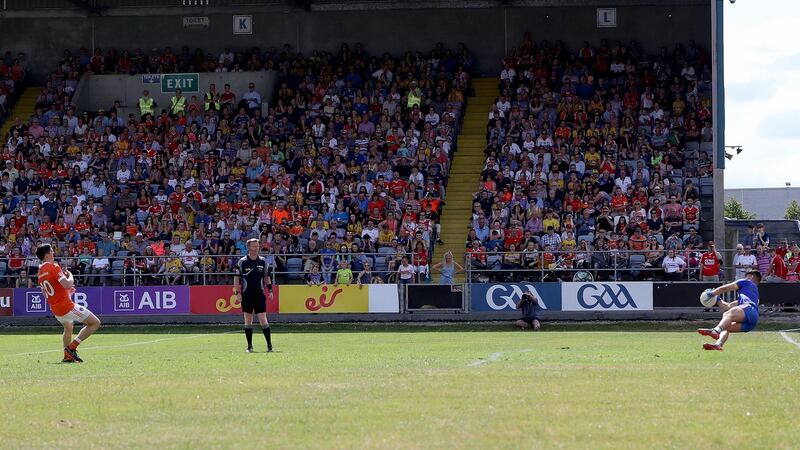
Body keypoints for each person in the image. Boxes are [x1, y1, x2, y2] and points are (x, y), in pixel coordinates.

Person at [36, 243, 101, 363]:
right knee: (95, 323)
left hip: (56, 309)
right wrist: (71, 276)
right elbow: (68, 283)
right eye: (51, 252)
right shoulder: (53, 267)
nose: (53, 253)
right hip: (66, 306)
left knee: (68, 327)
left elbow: (46, 294)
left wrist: (67, 292)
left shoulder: (40, 273)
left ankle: (67, 356)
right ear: (46, 256)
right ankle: (71, 348)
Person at [697, 269, 762, 351]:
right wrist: (718, 299)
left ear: (751, 277)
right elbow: (727, 306)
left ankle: (715, 330)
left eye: (746, 276)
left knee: (727, 314)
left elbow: (723, 289)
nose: (744, 277)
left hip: (748, 309)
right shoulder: (753, 295)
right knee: (726, 326)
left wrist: (712, 293)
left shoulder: (746, 282)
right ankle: (718, 344)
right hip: (753, 320)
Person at [232, 238, 273, 353]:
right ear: (249, 247)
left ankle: (269, 346)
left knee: (263, 320)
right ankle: (249, 346)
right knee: (248, 321)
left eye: (257, 245)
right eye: (254, 246)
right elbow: (236, 278)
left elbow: (266, 277)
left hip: (259, 294)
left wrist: (270, 290)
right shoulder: (242, 262)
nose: (257, 247)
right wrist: (237, 293)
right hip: (247, 295)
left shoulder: (263, 261)